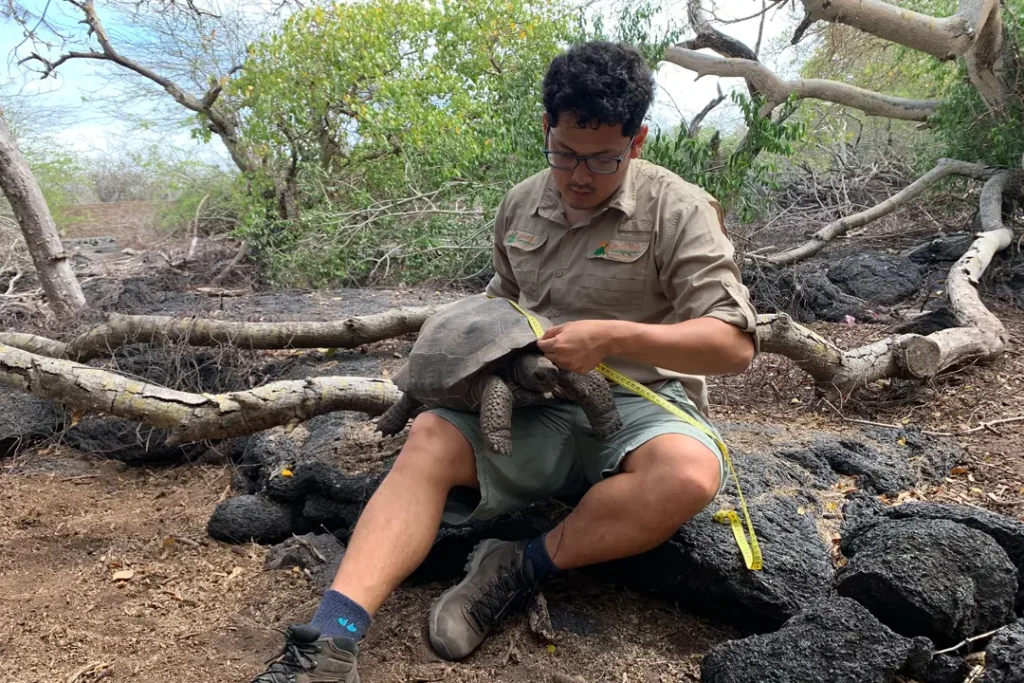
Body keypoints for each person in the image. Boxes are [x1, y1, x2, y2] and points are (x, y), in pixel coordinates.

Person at [250, 40, 759, 683]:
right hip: (531, 396)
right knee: (430, 435)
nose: (579, 175)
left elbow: (734, 345)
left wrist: (611, 339)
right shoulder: (521, 204)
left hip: (637, 402)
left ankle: (517, 566)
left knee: (687, 477)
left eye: (602, 158)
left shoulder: (679, 209)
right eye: (565, 153)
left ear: (637, 140)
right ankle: (328, 643)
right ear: (547, 128)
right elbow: (500, 301)